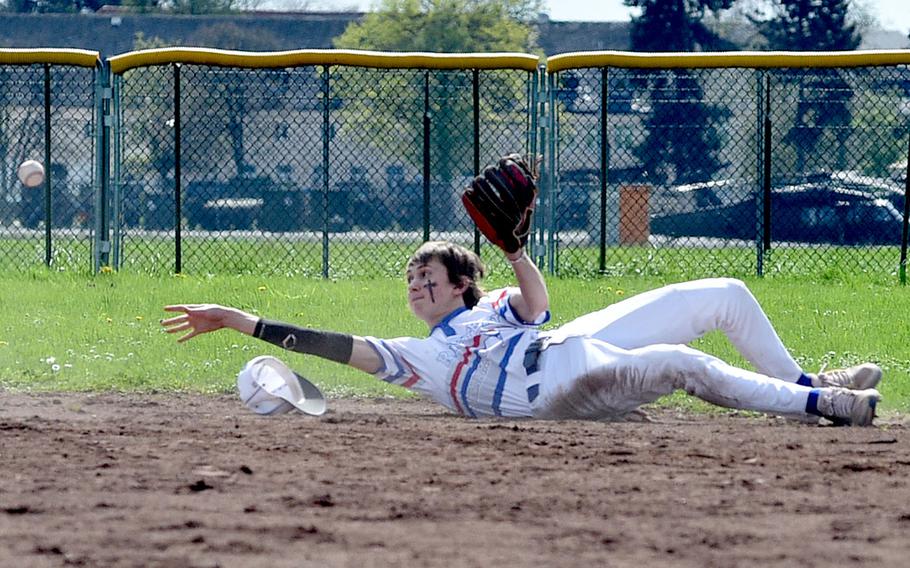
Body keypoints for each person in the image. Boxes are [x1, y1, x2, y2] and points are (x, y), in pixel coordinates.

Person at [161, 156, 883, 427]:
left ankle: (799, 387)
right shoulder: (421, 357)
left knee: (722, 289)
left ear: (463, 284)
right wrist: (239, 320)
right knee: (682, 363)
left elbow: (535, 305)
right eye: (411, 278)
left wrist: (513, 248)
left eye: (428, 275)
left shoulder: (498, 306)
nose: (416, 285)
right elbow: (332, 345)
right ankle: (827, 405)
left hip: (563, 344)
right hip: (557, 391)